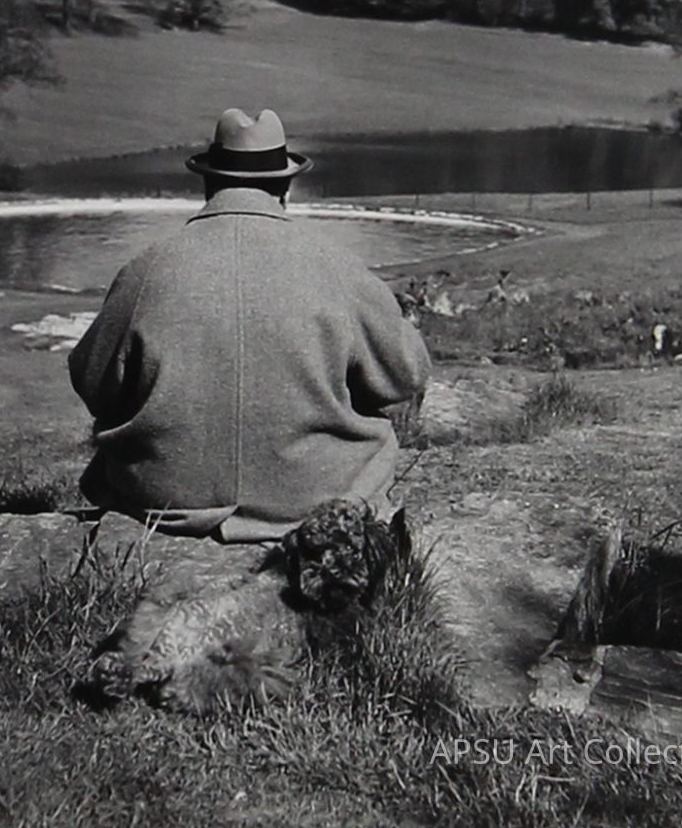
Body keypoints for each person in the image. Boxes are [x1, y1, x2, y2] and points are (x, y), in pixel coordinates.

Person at [68, 108, 431, 542]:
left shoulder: (146, 269)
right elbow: (405, 375)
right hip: (313, 496)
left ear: (208, 182)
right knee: (373, 425)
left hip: (164, 498)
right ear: (285, 187)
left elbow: (93, 383)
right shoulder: (335, 266)